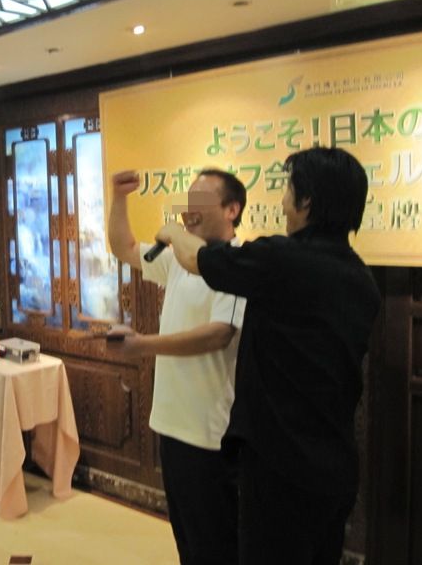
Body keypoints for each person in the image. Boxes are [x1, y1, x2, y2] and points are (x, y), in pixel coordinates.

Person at [154, 147, 381, 565]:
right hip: (335, 464)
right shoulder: (361, 279)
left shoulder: (283, 260)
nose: (283, 202)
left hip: (280, 465)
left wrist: (172, 231)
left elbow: (195, 258)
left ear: (306, 201)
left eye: (288, 190)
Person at [108, 169, 246, 565]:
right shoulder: (179, 260)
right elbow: (124, 247)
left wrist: (142, 345)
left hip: (209, 432)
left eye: (201, 202)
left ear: (232, 210)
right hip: (170, 423)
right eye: (188, 201)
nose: (190, 210)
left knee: (215, 543)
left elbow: (218, 334)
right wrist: (120, 197)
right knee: (187, 537)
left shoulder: (237, 264)